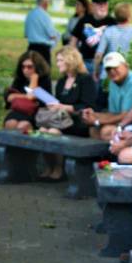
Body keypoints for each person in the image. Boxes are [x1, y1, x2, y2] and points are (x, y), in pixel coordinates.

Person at [39, 46, 97, 180]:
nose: (57, 64)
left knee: (53, 132)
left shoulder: (85, 80)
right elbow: (59, 102)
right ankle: (49, 166)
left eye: (60, 60)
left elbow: (88, 106)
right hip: (61, 119)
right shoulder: (61, 81)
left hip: (79, 122)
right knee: (43, 129)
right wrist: (54, 105)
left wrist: (64, 107)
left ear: (70, 61)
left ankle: (60, 169)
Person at [81, 52, 132, 140]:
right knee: (93, 129)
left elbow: (126, 116)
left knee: (106, 131)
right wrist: (94, 115)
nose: (112, 71)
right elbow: (113, 114)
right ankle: (106, 153)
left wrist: (97, 121)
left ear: (126, 66)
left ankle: (117, 151)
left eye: (115, 67)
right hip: (126, 123)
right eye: (108, 69)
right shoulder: (113, 82)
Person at [70, 0, 116, 76]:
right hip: (85, 62)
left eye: (105, 4)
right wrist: (75, 60)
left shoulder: (113, 22)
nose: (102, 6)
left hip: (105, 64)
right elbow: (73, 41)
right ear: (93, 5)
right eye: (99, 4)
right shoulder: (84, 20)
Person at [3, 50, 52, 132]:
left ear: (37, 67)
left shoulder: (44, 80)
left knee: (23, 126)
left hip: (36, 113)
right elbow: (9, 97)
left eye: (30, 67)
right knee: (11, 123)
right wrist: (27, 96)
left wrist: (34, 79)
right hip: (19, 110)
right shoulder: (20, 79)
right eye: (23, 67)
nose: (25, 70)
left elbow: (46, 101)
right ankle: (9, 144)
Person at [93, 2, 132, 80]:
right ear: (129, 16)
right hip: (127, 75)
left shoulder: (108, 31)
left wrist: (95, 71)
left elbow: (99, 54)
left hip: (108, 74)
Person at [24, 0, 59, 65]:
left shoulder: (30, 14)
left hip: (31, 47)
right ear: (45, 3)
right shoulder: (45, 15)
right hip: (43, 49)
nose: (48, 4)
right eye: (48, 2)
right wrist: (57, 37)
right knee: (44, 71)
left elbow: (26, 34)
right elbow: (52, 34)